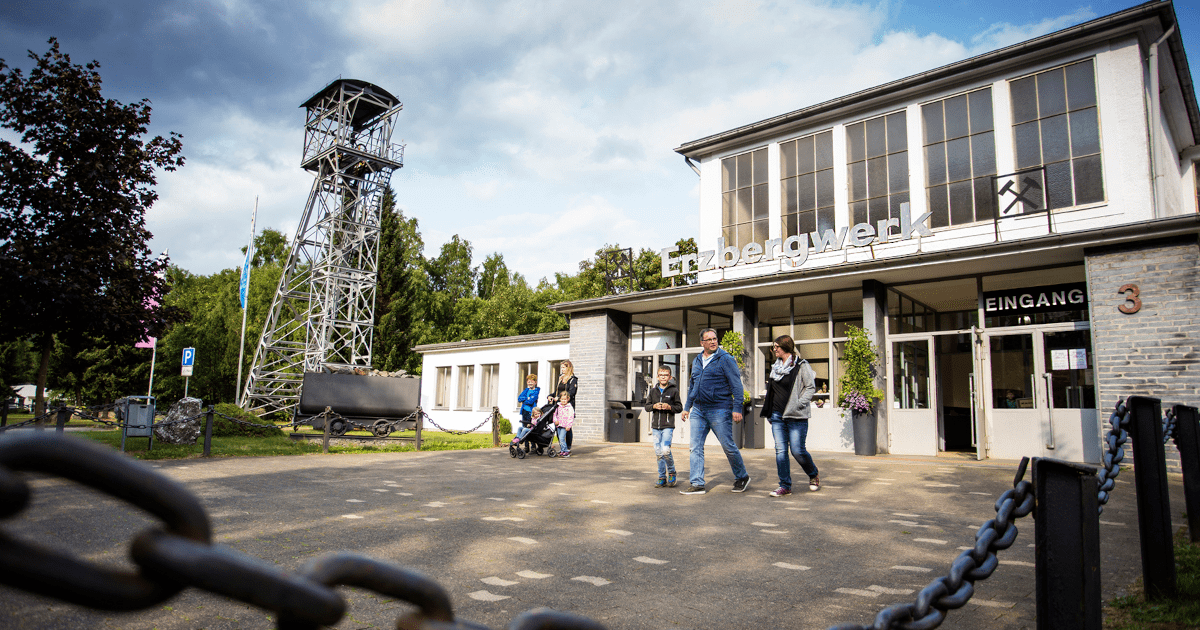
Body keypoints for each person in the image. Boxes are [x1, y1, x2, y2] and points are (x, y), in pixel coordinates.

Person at [679, 328, 751, 495]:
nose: (713, 341)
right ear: (702, 343)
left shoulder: (725, 359)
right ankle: (697, 484)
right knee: (695, 447)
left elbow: (736, 385)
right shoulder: (697, 360)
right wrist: (687, 407)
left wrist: (737, 407)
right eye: (709, 339)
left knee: (728, 445)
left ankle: (742, 476)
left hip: (719, 408)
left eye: (715, 338)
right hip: (698, 409)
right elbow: (693, 386)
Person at [761, 335, 820, 496]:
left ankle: (813, 473)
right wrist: (769, 411)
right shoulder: (775, 368)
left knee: (797, 450)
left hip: (796, 416)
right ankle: (785, 485)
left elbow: (810, 387)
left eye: (776, 347)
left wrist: (799, 403)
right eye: (774, 347)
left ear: (785, 347)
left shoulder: (801, 365)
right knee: (780, 451)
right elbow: (772, 391)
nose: (774, 350)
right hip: (777, 415)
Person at [644, 366, 682, 488]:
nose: (663, 377)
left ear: (670, 377)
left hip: (668, 426)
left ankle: (672, 472)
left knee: (665, 450)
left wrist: (669, 407)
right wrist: (654, 406)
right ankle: (662, 477)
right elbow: (647, 407)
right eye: (661, 375)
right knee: (658, 452)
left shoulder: (674, 391)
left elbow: (679, 407)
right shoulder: (653, 391)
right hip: (655, 426)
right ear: (657, 376)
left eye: (666, 375)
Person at [553, 360, 579, 450]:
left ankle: (567, 447)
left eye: (564, 367)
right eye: (561, 368)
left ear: (569, 368)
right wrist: (551, 396)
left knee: (567, 427)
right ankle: (562, 447)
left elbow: (572, 393)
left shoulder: (573, 379)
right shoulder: (560, 377)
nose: (562, 369)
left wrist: (562, 398)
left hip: (567, 406)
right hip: (559, 406)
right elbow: (557, 391)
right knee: (558, 426)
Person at [516, 375, 540, 451]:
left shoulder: (536, 391)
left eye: (532, 381)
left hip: (531, 413)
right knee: (524, 428)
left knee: (531, 429)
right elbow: (519, 398)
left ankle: (533, 445)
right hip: (524, 412)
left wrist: (526, 400)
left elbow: (531, 401)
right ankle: (526, 446)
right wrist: (527, 398)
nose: (530, 383)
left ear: (535, 382)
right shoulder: (526, 390)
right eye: (528, 381)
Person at [552, 390, 574, 458]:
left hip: (565, 426)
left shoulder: (569, 407)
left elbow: (571, 417)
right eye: (562, 399)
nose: (563, 401)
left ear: (568, 399)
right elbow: (554, 415)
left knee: (561, 438)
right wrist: (555, 421)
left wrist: (569, 426)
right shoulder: (558, 406)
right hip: (559, 425)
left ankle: (566, 451)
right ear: (560, 399)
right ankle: (562, 450)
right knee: (560, 438)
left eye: (565, 399)